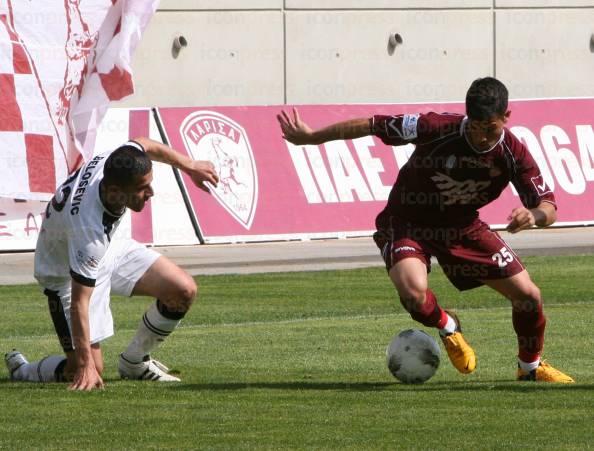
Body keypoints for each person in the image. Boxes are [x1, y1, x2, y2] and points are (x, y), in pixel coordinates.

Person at [277, 77, 573, 383]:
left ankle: (530, 369)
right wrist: (312, 138)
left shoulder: (513, 153)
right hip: (407, 221)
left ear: (506, 117)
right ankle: (448, 326)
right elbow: (372, 124)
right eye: (475, 126)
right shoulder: (435, 127)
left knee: (528, 296)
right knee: (414, 295)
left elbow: (548, 205)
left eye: (491, 127)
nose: (483, 136)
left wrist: (534, 216)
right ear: (466, 116)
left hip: (462, 226)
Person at [5, 138, 219, 390]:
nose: (151, 193)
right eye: (142, 188)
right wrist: (85, 365)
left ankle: (134, 362)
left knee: (182, 291)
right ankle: (23, 370)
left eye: (149, 183)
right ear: (115, 191)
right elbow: (79, 302)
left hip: (108, 249)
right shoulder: (88, 228)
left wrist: (189, 165)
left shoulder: (118, 160)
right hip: (64, 275)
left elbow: (144, 144)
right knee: (86, 369)